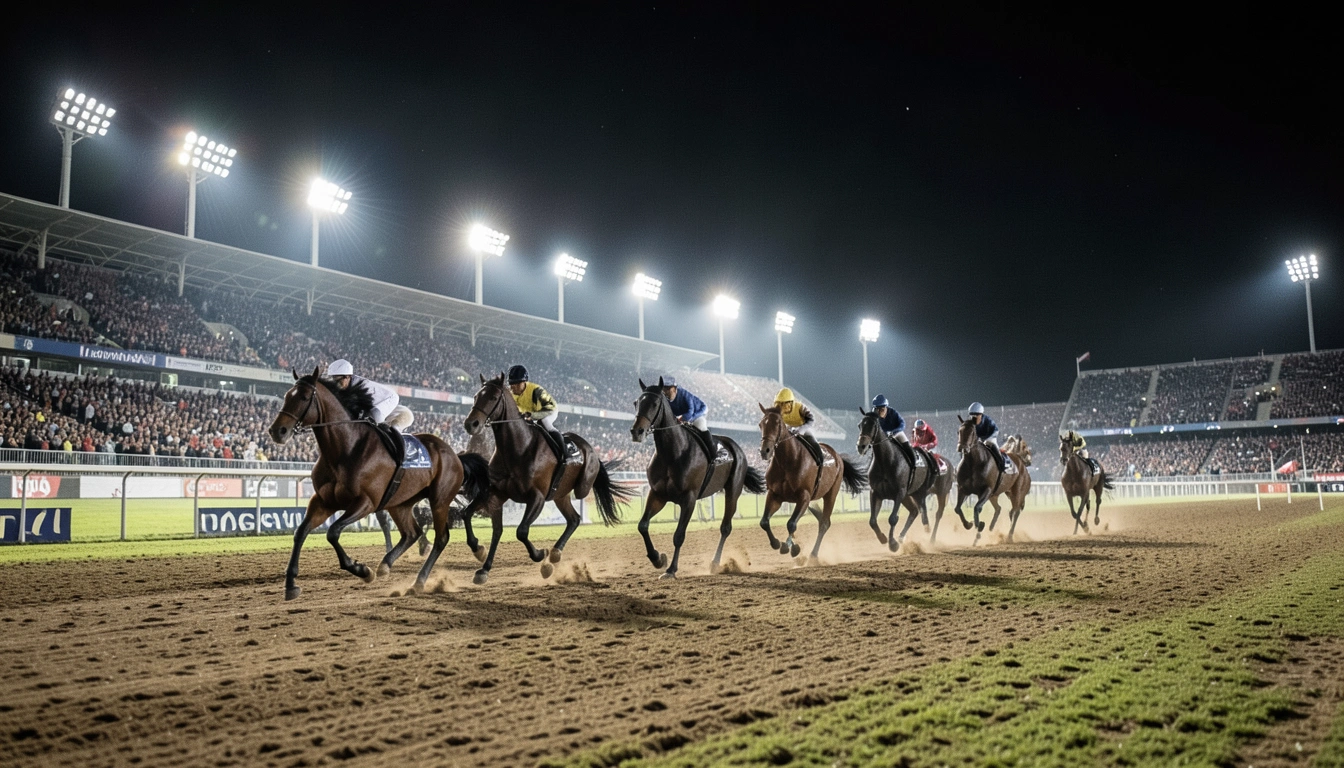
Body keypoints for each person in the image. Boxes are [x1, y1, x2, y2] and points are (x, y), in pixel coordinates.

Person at [326, 359, 414, 432]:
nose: (335, 384)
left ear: (348, 376)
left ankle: (389, 437)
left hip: (391, 398)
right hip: (376, 402)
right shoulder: (347, 385)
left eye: (338, 380)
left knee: (375, 415)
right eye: (333, 380)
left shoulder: (361, 387)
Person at [506, 365, 568, 452]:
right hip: (531, 413)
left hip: (549, 410)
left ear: (524, 382)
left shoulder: (537, 391)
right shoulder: (510, 393)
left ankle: (564, 452)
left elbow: (549, 409)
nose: (513, 387)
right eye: (511, 383)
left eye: (517, 383)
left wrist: (532, 415)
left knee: (544, 422)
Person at [773, 388, 827, 463]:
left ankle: (820, 460)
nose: (781, 407)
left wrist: (801, 429)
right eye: (779, 404)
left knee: (813, 443)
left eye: (784, 404)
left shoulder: (800, 407)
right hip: (789, 429)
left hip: (804, 428)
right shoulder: (777, 411)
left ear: (791, 403)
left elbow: (811, 419)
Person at [968, 402, 1005, 470]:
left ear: (981, 414)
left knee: (993, 445)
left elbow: (992, 431)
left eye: (976, 415)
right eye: (972, 415)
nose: (974, 417)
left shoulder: (987, 420)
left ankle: (1001, 462)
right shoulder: (971, 422)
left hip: (991, 434)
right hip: (980, 437)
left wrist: (983, 439)